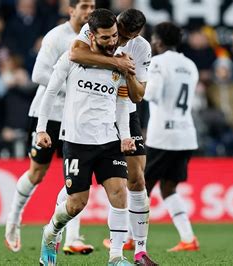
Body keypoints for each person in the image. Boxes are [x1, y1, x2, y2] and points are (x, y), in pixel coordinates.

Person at [36, 9, 135, 266]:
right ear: (91, 36)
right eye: (105, 38)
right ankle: (51, 233)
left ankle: (116, 257)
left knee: (119, 193)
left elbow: (123, 104)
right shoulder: (71, 58)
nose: (112, 42)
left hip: (108, 140)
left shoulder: (121, 62)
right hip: (77, 141)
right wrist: (42, 128)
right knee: (76, 204)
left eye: (114, 35)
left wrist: (125, 135)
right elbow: (50, 92)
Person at [67, 9, 158, 265]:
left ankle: (140, 250)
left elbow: (138, 95)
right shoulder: (100, 31)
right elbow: (75, 53)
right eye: (120, 34)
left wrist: (128, 71)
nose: (120, 41)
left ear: (137, 35)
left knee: (137, 180)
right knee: (77, 190)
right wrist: (116, 63)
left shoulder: (141, 48)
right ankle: (62, 230)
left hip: (125, 112)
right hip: (93, 114)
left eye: (128, 37)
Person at [4, 0, 95, 254]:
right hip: (48, 114)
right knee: (37, 173)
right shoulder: (57, 37)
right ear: (71, 10)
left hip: (76, 118)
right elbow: (38, 74)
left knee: (76, 177)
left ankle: (73, 238)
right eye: (84, 6)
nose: (89, 11)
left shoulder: (96, 38)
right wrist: (73, 88)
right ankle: (13, 220)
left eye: (93, 6)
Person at [143, 21, 200, 252]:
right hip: (186, 133)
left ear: (158, 41)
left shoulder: (157, 62)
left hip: (163, 134)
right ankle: (188, 238)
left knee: (139, 187)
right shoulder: (190, 65)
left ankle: (128, 237)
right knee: (168, 188)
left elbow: (151, 94)